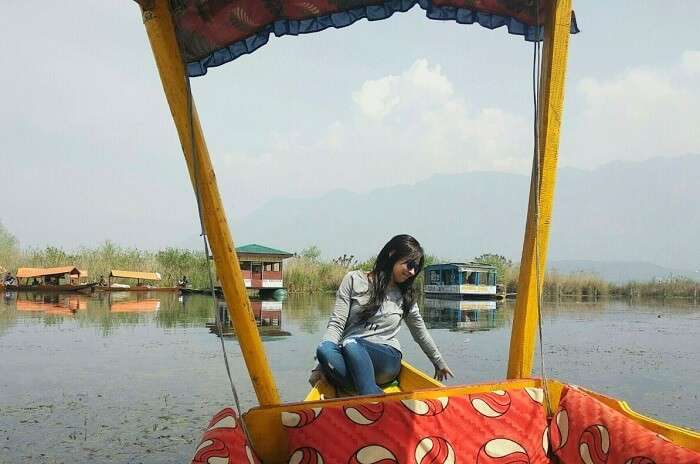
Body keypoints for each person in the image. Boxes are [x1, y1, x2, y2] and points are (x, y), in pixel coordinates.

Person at [309, 234, 454, 396]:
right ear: (392, 254)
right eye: (410, 264)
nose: (412, 272)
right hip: (350, 355)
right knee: (324, 349)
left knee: (352, 343)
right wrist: (318, 367)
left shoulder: (406, 295)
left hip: (385, 360)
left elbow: (420, 333)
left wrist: (438, 362)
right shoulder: (353, 279)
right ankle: (367, 390)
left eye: (416, 268)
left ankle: (367, 395)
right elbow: (336, 325)